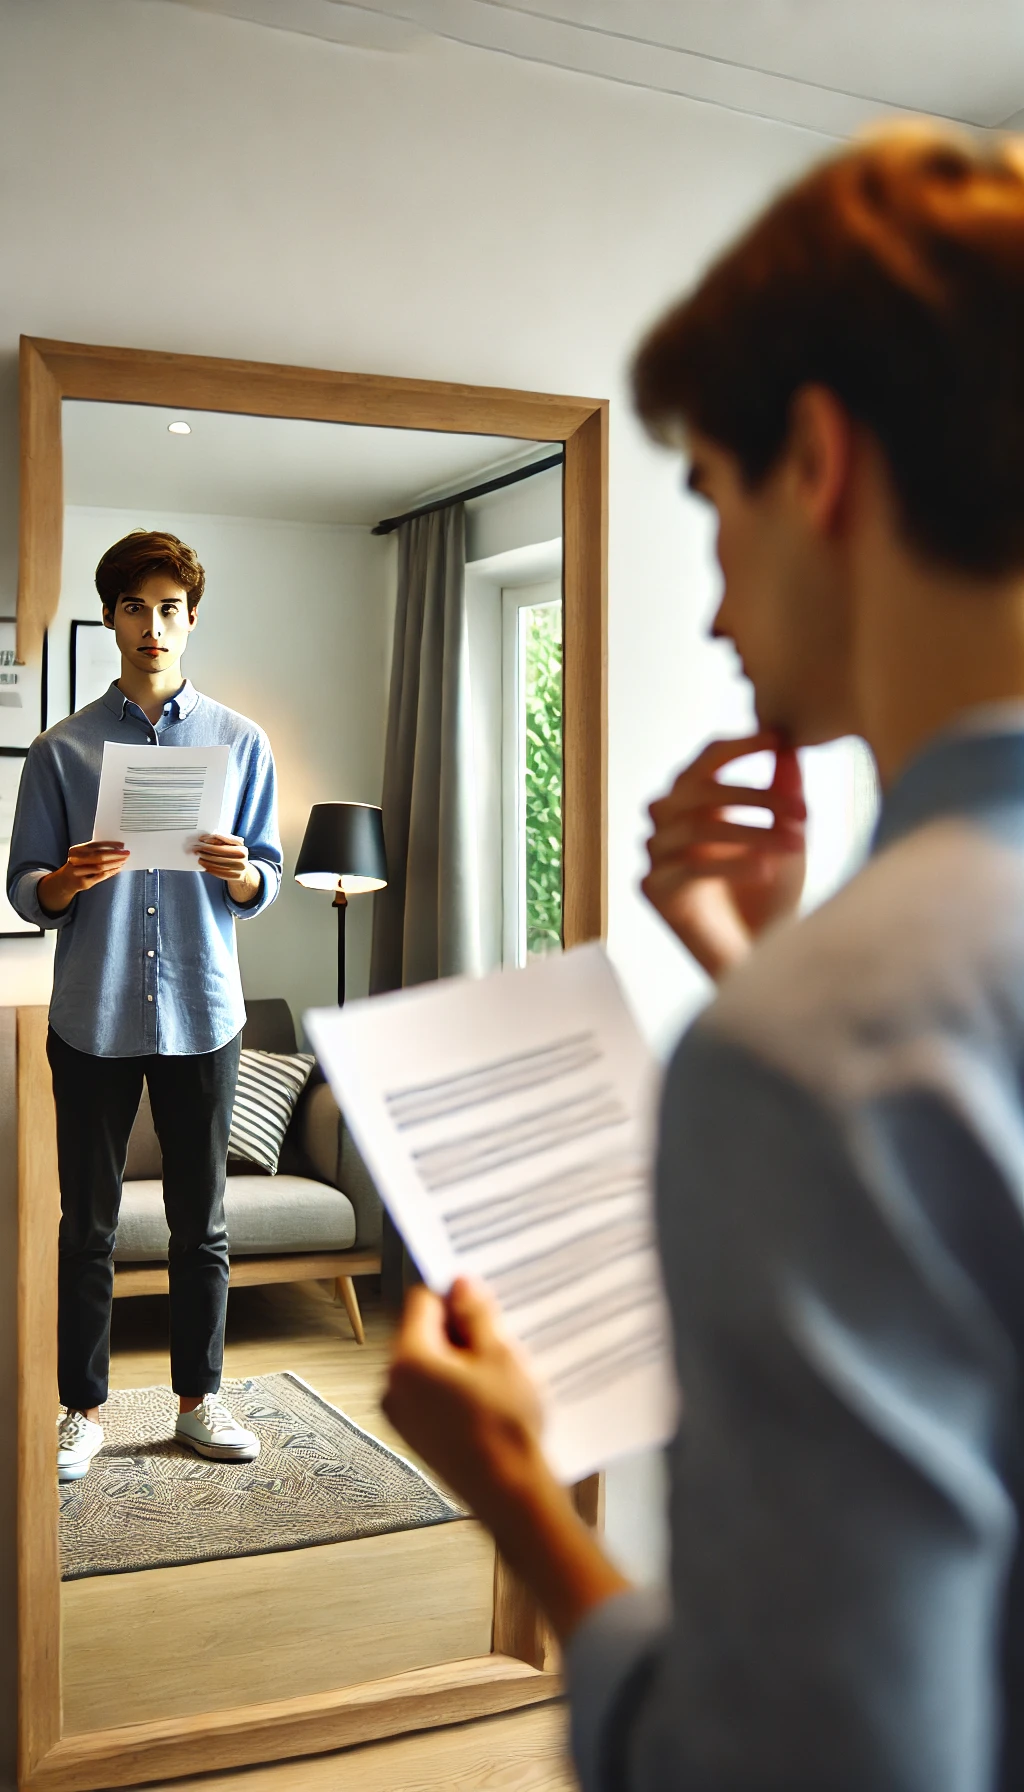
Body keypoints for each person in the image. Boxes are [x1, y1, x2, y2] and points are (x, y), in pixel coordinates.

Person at [380, 126, 1024, 1791]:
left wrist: (515, 1488)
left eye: (709, 499)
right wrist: (773, 953)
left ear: (812, 462)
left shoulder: (817, 1046)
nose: (717, 606)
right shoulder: (848, 1002)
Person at [8, 530, 283, 1482]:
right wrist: (66, 882)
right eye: (135, 608)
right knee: (86, 1222)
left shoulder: (242, 743)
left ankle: (200, 1400)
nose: (153, 626)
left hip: (205, 1012)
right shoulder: (63, 750)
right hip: (93, 1014)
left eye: (169, 609)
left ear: (191, 620)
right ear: (111, 619)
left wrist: (245, 873)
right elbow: (23, 888)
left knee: (201, 1221)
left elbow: (269, 874)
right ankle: (80, 1410)